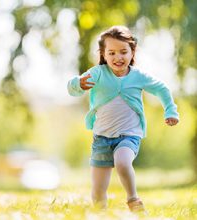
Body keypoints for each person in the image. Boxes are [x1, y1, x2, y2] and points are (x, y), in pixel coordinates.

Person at [67, 26, 179, 213]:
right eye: (111, 53)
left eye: (123, 52)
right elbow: (73, 88)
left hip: (129, 135)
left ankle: (133, 198)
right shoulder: (98, 73)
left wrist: (170, 111)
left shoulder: (138, 76)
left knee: (122, 162)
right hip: (101, 138)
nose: (118, 57)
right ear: (103, 54)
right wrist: (77, 83)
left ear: (132, 52)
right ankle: (100, 215)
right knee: (97, 192)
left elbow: (162, 89)